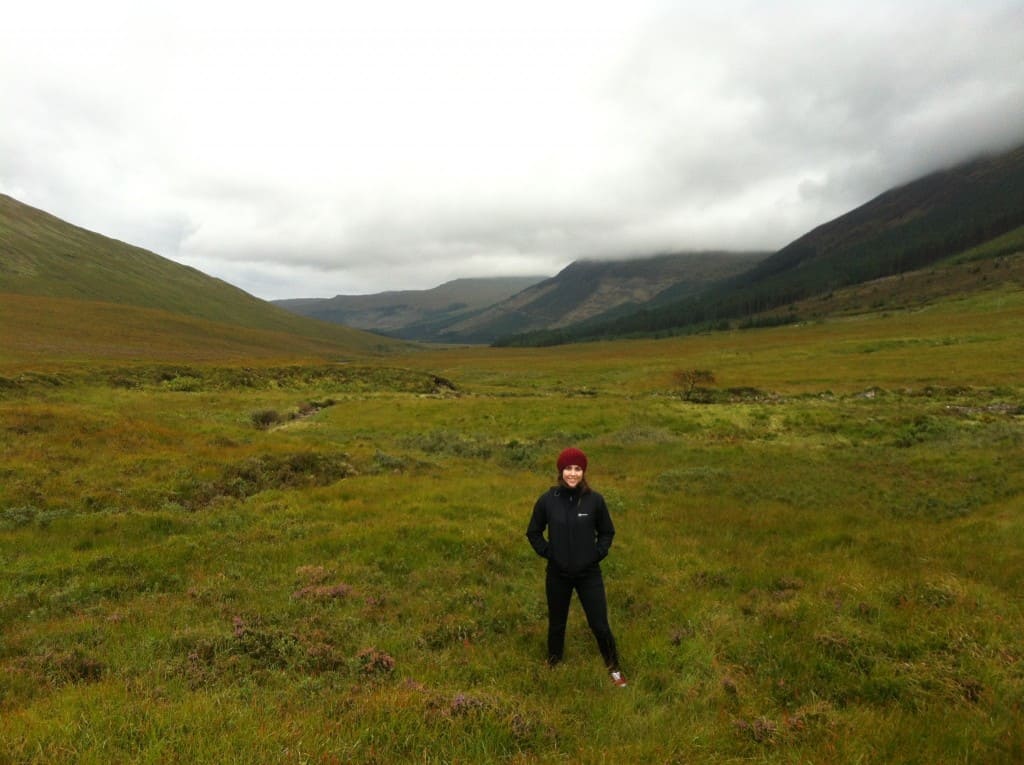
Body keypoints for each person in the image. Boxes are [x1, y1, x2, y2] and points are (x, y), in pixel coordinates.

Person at [526, 447, 627, 687]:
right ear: (560, 471)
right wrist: (551, 553)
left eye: (577, 469)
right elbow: (533, 532)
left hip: (588, 575)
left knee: (600, 625)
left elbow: (606, 532)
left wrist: (596, 554)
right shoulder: (548, 500)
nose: (573, 473)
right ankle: (553, 665)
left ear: (584, 472)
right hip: (557, 574)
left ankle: (614, 669)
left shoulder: (595, 501)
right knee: (557, 623)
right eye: (568, 468)